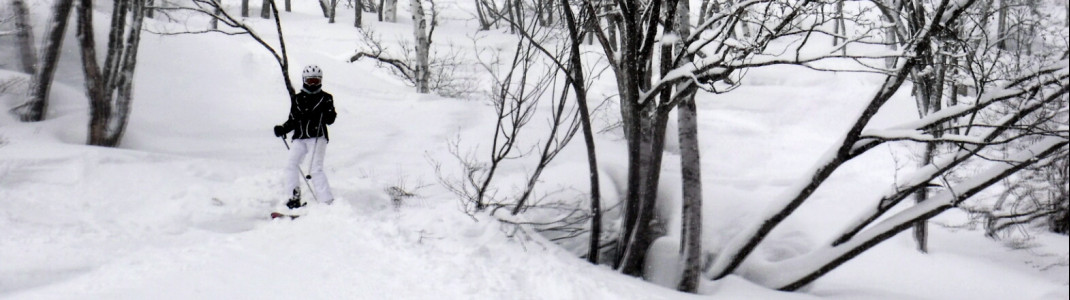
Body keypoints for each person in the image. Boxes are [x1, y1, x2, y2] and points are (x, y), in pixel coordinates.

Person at [274, 65, 337, 208]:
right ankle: (293, 197)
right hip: (300, 137)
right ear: (304, 80)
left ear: (320, 81)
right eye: (310, 81)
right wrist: (283, 129)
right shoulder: (297, 99)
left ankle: (326, 201)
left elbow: (330, 120)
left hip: (317, 137)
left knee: (315, 168)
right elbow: (293, 120)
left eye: (316, 81)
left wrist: (329, 113)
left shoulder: (326, 98)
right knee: (291, 165)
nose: (313, 84)